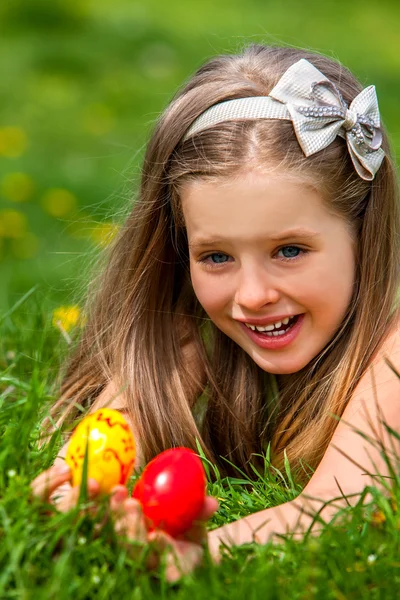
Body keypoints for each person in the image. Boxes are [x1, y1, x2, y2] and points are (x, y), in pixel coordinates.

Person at [31, 43, 400, 581]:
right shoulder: (194, 338)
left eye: (289, 250)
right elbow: (110, 440)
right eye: (217, 257)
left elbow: (336, 507)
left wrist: (202, 553)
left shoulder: (393, 358)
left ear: (363, 236)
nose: (252, 295)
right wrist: (74, 493)